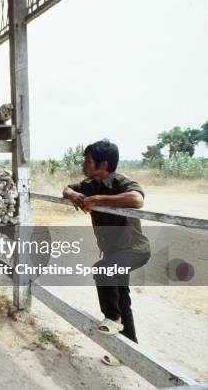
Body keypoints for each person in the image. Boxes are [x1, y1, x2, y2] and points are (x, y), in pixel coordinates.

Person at [62, 139, 151, 366]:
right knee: (122, 297)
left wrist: (99, 200)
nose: (83, 165)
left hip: (134, 250)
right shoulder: (91, 183)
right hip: (114, 252)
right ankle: (128, 352)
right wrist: (74, 195)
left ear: (103, 164)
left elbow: (137, 200)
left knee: (103, 270)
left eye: (88, 161)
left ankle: (112, 318)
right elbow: (66, 189)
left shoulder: (121, 182)